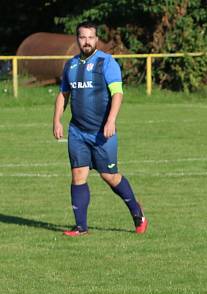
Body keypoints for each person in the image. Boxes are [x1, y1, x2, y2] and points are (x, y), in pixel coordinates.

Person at [52, 22, 147, 237]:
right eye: (82, 37)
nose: (86, 41)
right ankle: (81, 227)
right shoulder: (70, 65)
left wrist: (111, 120)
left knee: (109, 176)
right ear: (77, 39)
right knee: (78, 175)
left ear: (96, 39)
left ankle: (137, 212)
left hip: (102, 132)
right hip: (77, 131)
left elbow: (117, 93)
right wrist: (57, 120)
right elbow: (63, 95)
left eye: (90, 37)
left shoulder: (107, 62)